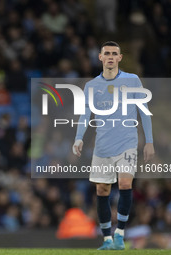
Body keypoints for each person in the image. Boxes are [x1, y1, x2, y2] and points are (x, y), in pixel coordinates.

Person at [72, 41, 154, 250]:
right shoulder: (91, 86)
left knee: (125, 184)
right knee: (102, 190)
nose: (110, 56)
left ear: (119, 58)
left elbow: (144, 110)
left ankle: (120, 233)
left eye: (114, 53)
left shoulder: (132, 80)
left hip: (127, 142)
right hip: (102, 145)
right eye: (106, 53)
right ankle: (107, 239)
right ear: (100, 57)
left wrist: (150, 141)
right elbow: (85, 114)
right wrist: (79, 137)